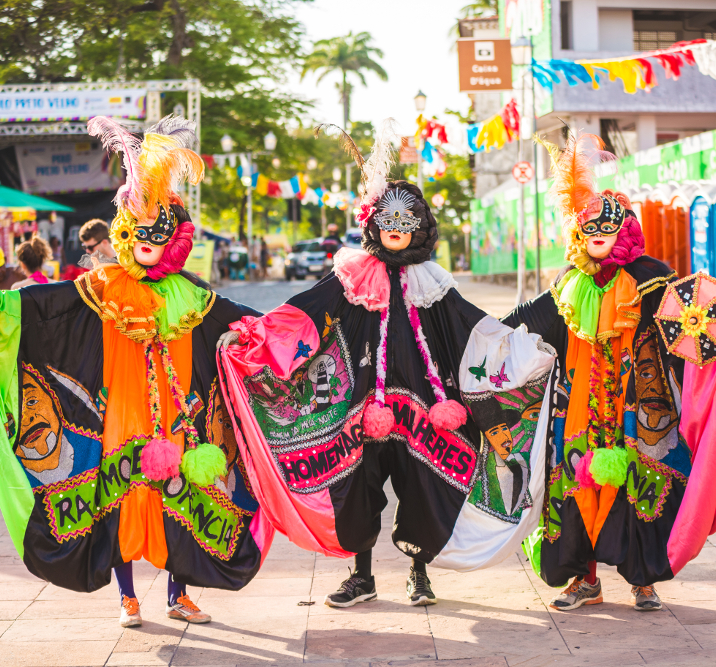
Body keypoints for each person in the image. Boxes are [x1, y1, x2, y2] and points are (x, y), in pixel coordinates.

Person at [0, 115, 268, 630]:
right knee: (121, 504)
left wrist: (290, 328)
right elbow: (46, 307)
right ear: (127, 233)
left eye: (157, 240)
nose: (147, 248)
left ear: (174, 240)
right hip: (122, 415)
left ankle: (179, 595)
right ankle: (128, 597)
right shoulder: (102, 286)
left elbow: (244, 319)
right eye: (141, 238)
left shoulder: (193, 295)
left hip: (179, 422)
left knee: (182, 503)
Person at [218, 123, 556, 609]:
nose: (397, 229)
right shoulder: (351, 275)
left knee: (424, 485)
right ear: (374, 225)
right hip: (361, 406)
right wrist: (254, 335)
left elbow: (472, 327)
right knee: (356, 485)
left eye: (407, 221)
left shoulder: (434, 281)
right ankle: (363, 576)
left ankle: (418, 574)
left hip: (426, 408)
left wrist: (520, 347)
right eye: (388, 221)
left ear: (420, 227)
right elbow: (305, 313)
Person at [505, 133, 716, 612]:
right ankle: (581, 579)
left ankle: (643, 580)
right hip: (576, 410)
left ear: (624, 231)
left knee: (642, 485)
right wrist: (478, 331)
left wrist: (712, 333)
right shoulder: (567, 283)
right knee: (576, 486)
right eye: (590, 229)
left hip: (640, 407)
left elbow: (687, 320)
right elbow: (528, 320)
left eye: (608, 229)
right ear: (579, 232)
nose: (599, 236)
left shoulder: (652, 277)